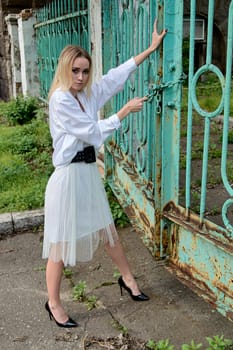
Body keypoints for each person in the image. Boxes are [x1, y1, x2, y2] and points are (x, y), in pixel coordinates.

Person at [42, 20, 167, 328]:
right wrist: (123, 112)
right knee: (59, 244)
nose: (81, 77)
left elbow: (113, 79)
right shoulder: (60, 100)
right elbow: (90, 130)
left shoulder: (84, 95)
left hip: (86, 174)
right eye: (76, 71)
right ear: (65, 69)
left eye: (85, 71)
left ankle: (128, 280)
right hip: (68, 178)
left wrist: (149, 50)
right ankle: (54, 303)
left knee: (108, 230)